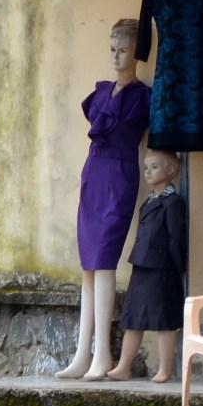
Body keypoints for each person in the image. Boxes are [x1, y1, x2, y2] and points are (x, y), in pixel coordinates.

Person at [56, 19, 152, 381]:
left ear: (136, 53)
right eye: (112, 49)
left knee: (105, 260)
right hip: (93, 173)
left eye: (123, 50)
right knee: (89, 264)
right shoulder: (100, 93)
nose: (116, 56)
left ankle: (103, 355)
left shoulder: (142, 96)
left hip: (119, 175)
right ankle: (82, 354)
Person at [107, 149, 188, 382]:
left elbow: (176, 237)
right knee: (133, 317)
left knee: (165, 319)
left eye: (154, 167)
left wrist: (178, 266)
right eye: (146, 168)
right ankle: (124, 366)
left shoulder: (173, 203)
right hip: (142, 264)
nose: (148, 172)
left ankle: (165, 369)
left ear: (170, 170)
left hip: (163, 267)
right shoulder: (149, 202)